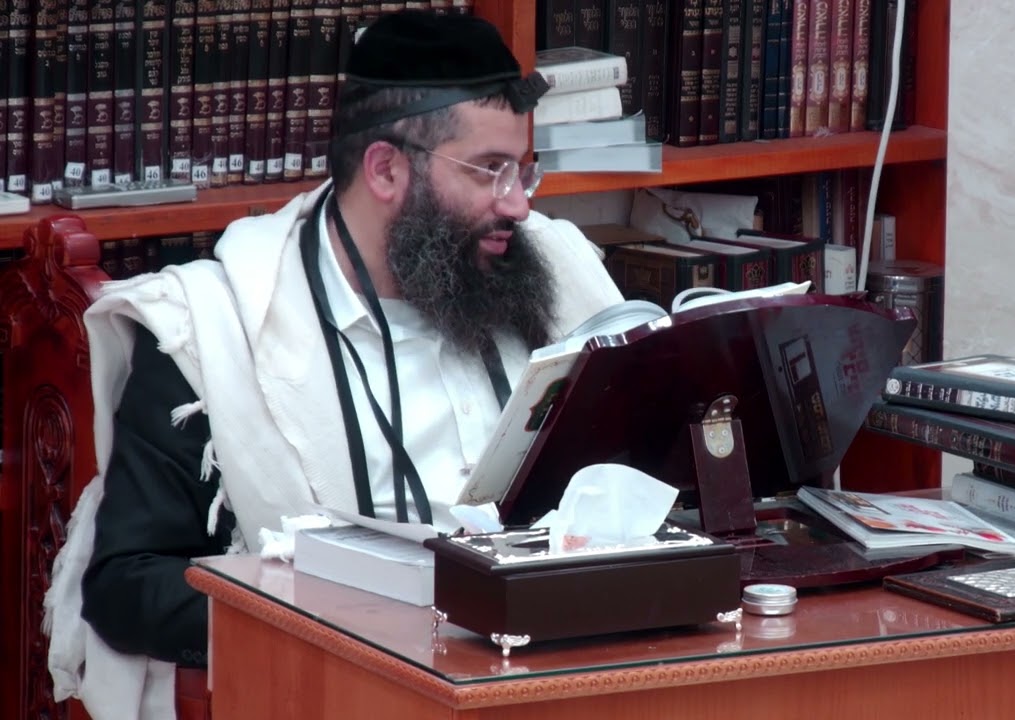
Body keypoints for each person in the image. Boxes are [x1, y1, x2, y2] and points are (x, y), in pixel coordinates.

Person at [44, 10, 623, 717]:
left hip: (574, 679)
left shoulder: (557, 278)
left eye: (522, 171)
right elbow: (128, 587)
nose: (519, 205)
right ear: (386, 169)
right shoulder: (213, 333)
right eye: (490, 171)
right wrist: (347, 614)